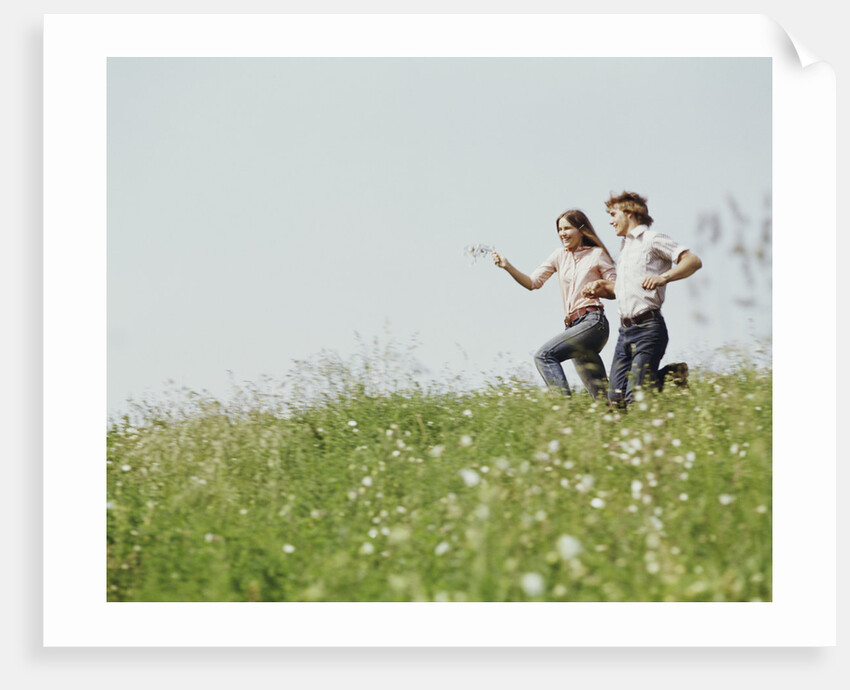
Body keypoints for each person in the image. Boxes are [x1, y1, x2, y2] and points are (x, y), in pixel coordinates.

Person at [584, 191, 702, 406]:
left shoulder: (651, 239)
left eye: (613, 214)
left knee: (634, 398)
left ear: (629, 213)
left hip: (648, 329)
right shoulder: (626, 247)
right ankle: (671, 374)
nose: (610, 222)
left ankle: (672, 375)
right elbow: (624, 290)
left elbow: (692, 261)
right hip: (624, 333)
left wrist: (663, 277)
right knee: (615, 400)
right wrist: (602, 288)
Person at [492, 209, 617, 399]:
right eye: (559, 229)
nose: (562, 233)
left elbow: (617, 289)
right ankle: (620, 415)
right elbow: (533, 283)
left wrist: (598, 286)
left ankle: (564, 410)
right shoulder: (559, 256)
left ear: (581, 230)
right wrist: (507, 266)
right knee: (603, 399)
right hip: (573, 327)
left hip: (593, 323)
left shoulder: (597, 254)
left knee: (544, 356)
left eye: (567, 228)